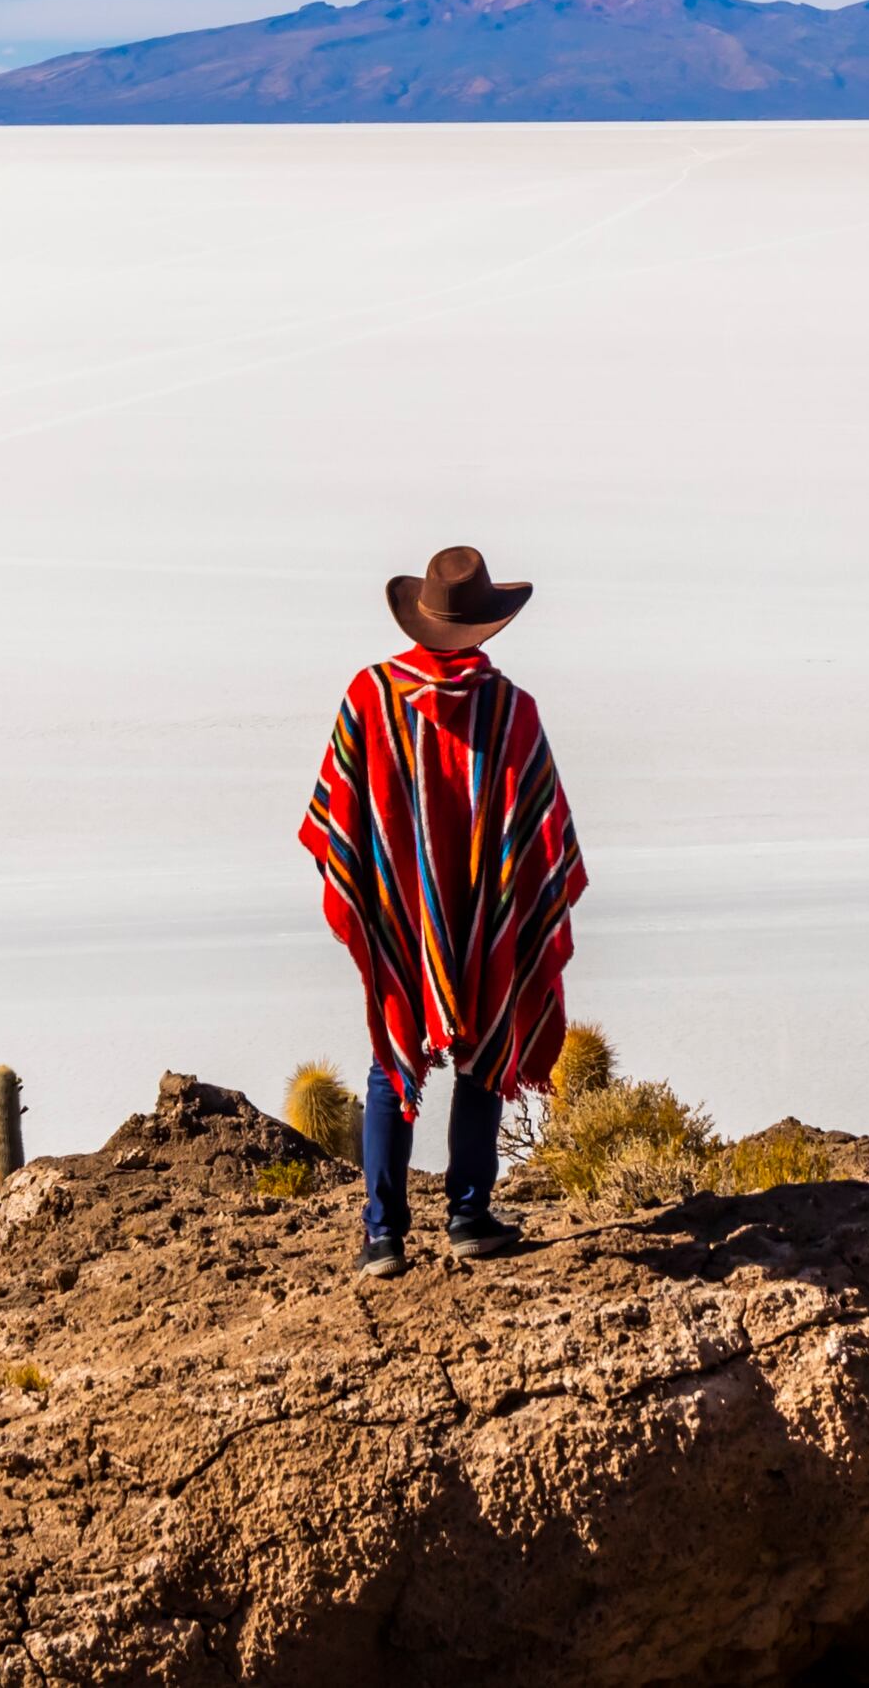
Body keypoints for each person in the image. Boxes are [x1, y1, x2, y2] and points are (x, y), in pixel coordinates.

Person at [298, 543, 588, 1276]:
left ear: (420, 617)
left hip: (402, 914)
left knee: (391, 1054)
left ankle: (384, 1234)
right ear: (487, 627)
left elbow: (338, 811)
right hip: (483, 909)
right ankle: (467, 1215)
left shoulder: (370, 696)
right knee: (484, 1047)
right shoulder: (512, 710)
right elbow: (544, 834)